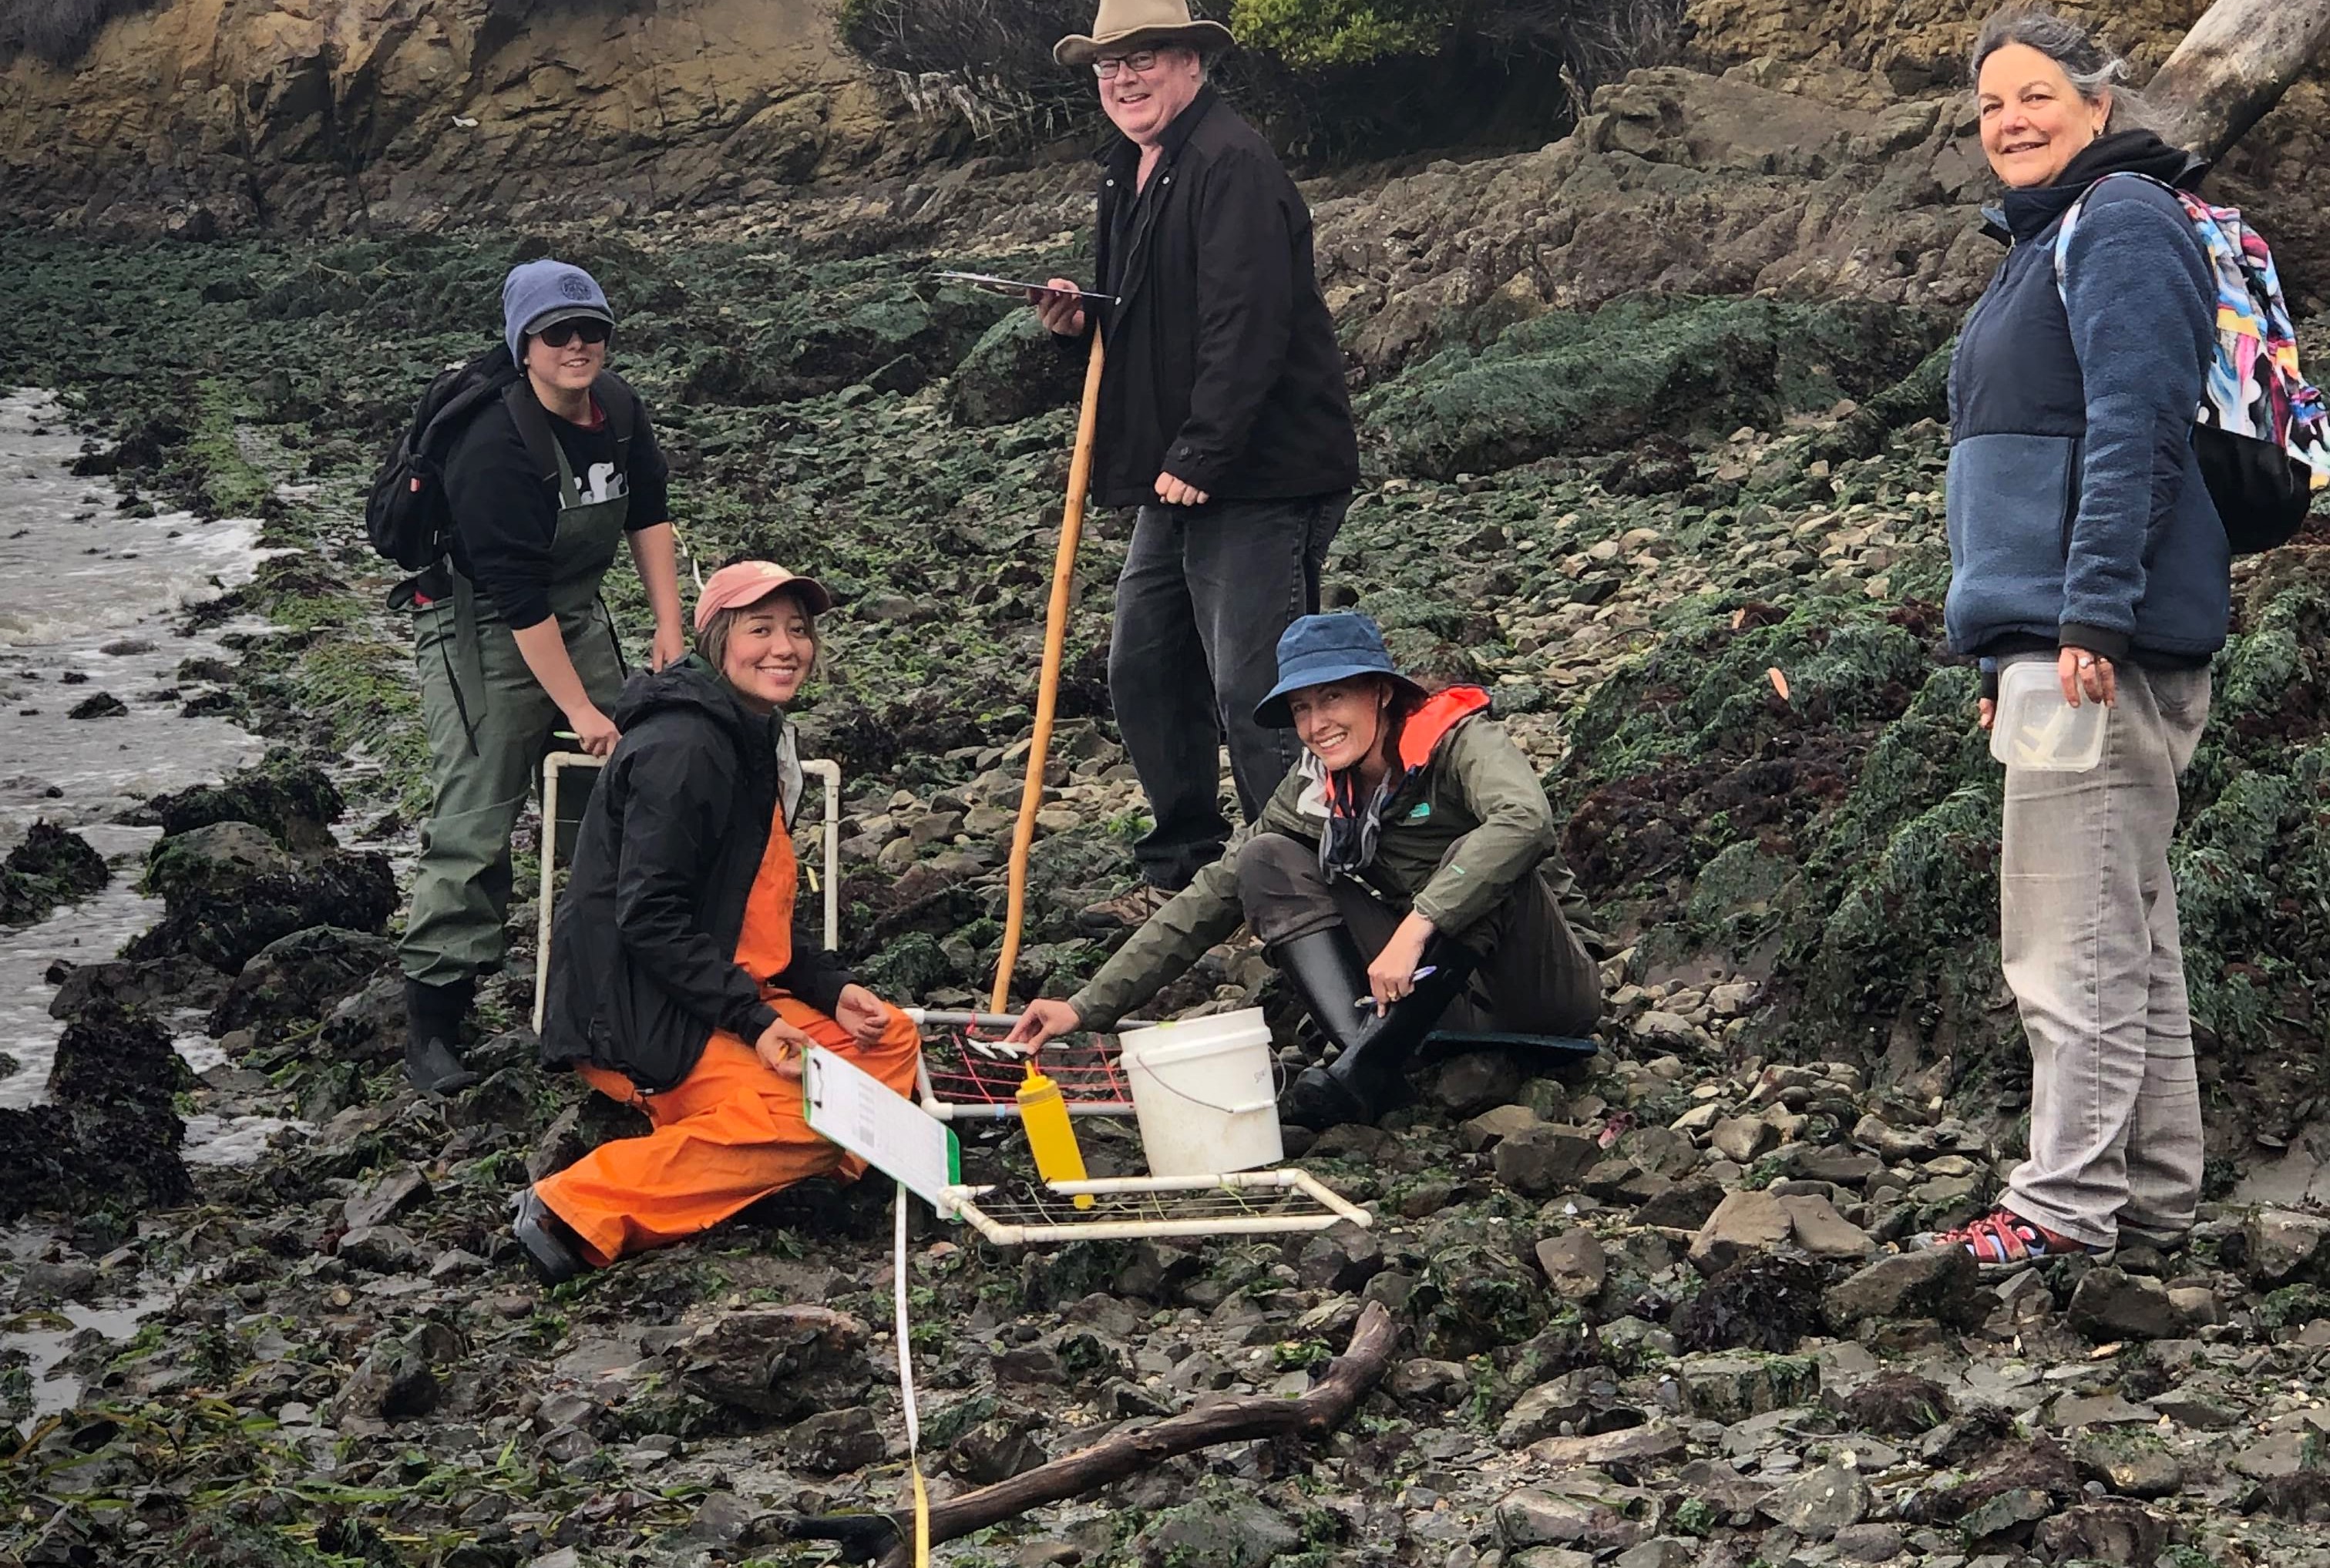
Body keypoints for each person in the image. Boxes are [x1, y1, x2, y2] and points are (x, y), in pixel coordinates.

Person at [1923, 5, 2231, 1266]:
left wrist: (2086, 614)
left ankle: (2062, 1211)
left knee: (2067, 934)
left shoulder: (2118, 226)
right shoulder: (2045, 238)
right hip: (2047, 637)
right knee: (2126, 927)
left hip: (2094, 634)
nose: (2009, 118)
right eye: (1990, 103)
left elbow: (2135, 427)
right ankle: (2149, 1199)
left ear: (2098, 104)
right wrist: (2004, 648)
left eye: (2035, 94)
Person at [1031, 0, 1360, 933]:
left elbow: (1246, 323)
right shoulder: (1128, 167)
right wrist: (1076, 320)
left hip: (1258, 473)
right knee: (1142, 665)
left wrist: (1205, 450)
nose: (1122, 78)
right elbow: (1147, 320)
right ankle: (1184, 864)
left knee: (1254, 688)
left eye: (1141, 59)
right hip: (1173, 475)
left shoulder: (1231, 163)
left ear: (1191, 62)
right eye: (1107, 64)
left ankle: (1295, 885)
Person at [1006, 611, 1602, 1127]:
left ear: (1381, 692)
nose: (1317, 724)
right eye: (1301, 708)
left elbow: (1525, 821)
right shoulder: (1314, 787)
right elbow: (1211, 894)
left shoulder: (1461, 742)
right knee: (1261, 858)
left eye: (1333, 697)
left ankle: (1366, 1057)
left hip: (1541, 989)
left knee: (1478, 851)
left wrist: (1417, 924)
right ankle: (1367, 1062)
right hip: (1438, 999)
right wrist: (1086, 1005)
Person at [515, 561, 923, 1282]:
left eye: (797, 630)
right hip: (640, 1013)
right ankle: (575, 1205)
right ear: (715, 643)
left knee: (889, 1035)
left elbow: (742, 907)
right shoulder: (687, 748)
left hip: (715, 990)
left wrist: (828, 990)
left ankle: (800, 1167)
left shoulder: (748, 732)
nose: (784, 647)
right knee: (808, 1115)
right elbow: (649, 918)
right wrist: (757, 1022)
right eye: (759, 629)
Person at [397, 259, 687, 1095]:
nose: (577, 345)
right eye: (556, 333)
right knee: (476, 817)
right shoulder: (493, 443)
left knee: (610, 800)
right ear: (523, 344)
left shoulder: (620, 409)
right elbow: (519, 602)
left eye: (590, 329)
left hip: (580, 611)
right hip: (483, 626)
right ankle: (435, 1021)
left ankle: (605, 983)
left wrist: (667, 626)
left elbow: (649, 512)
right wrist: (577, 708)